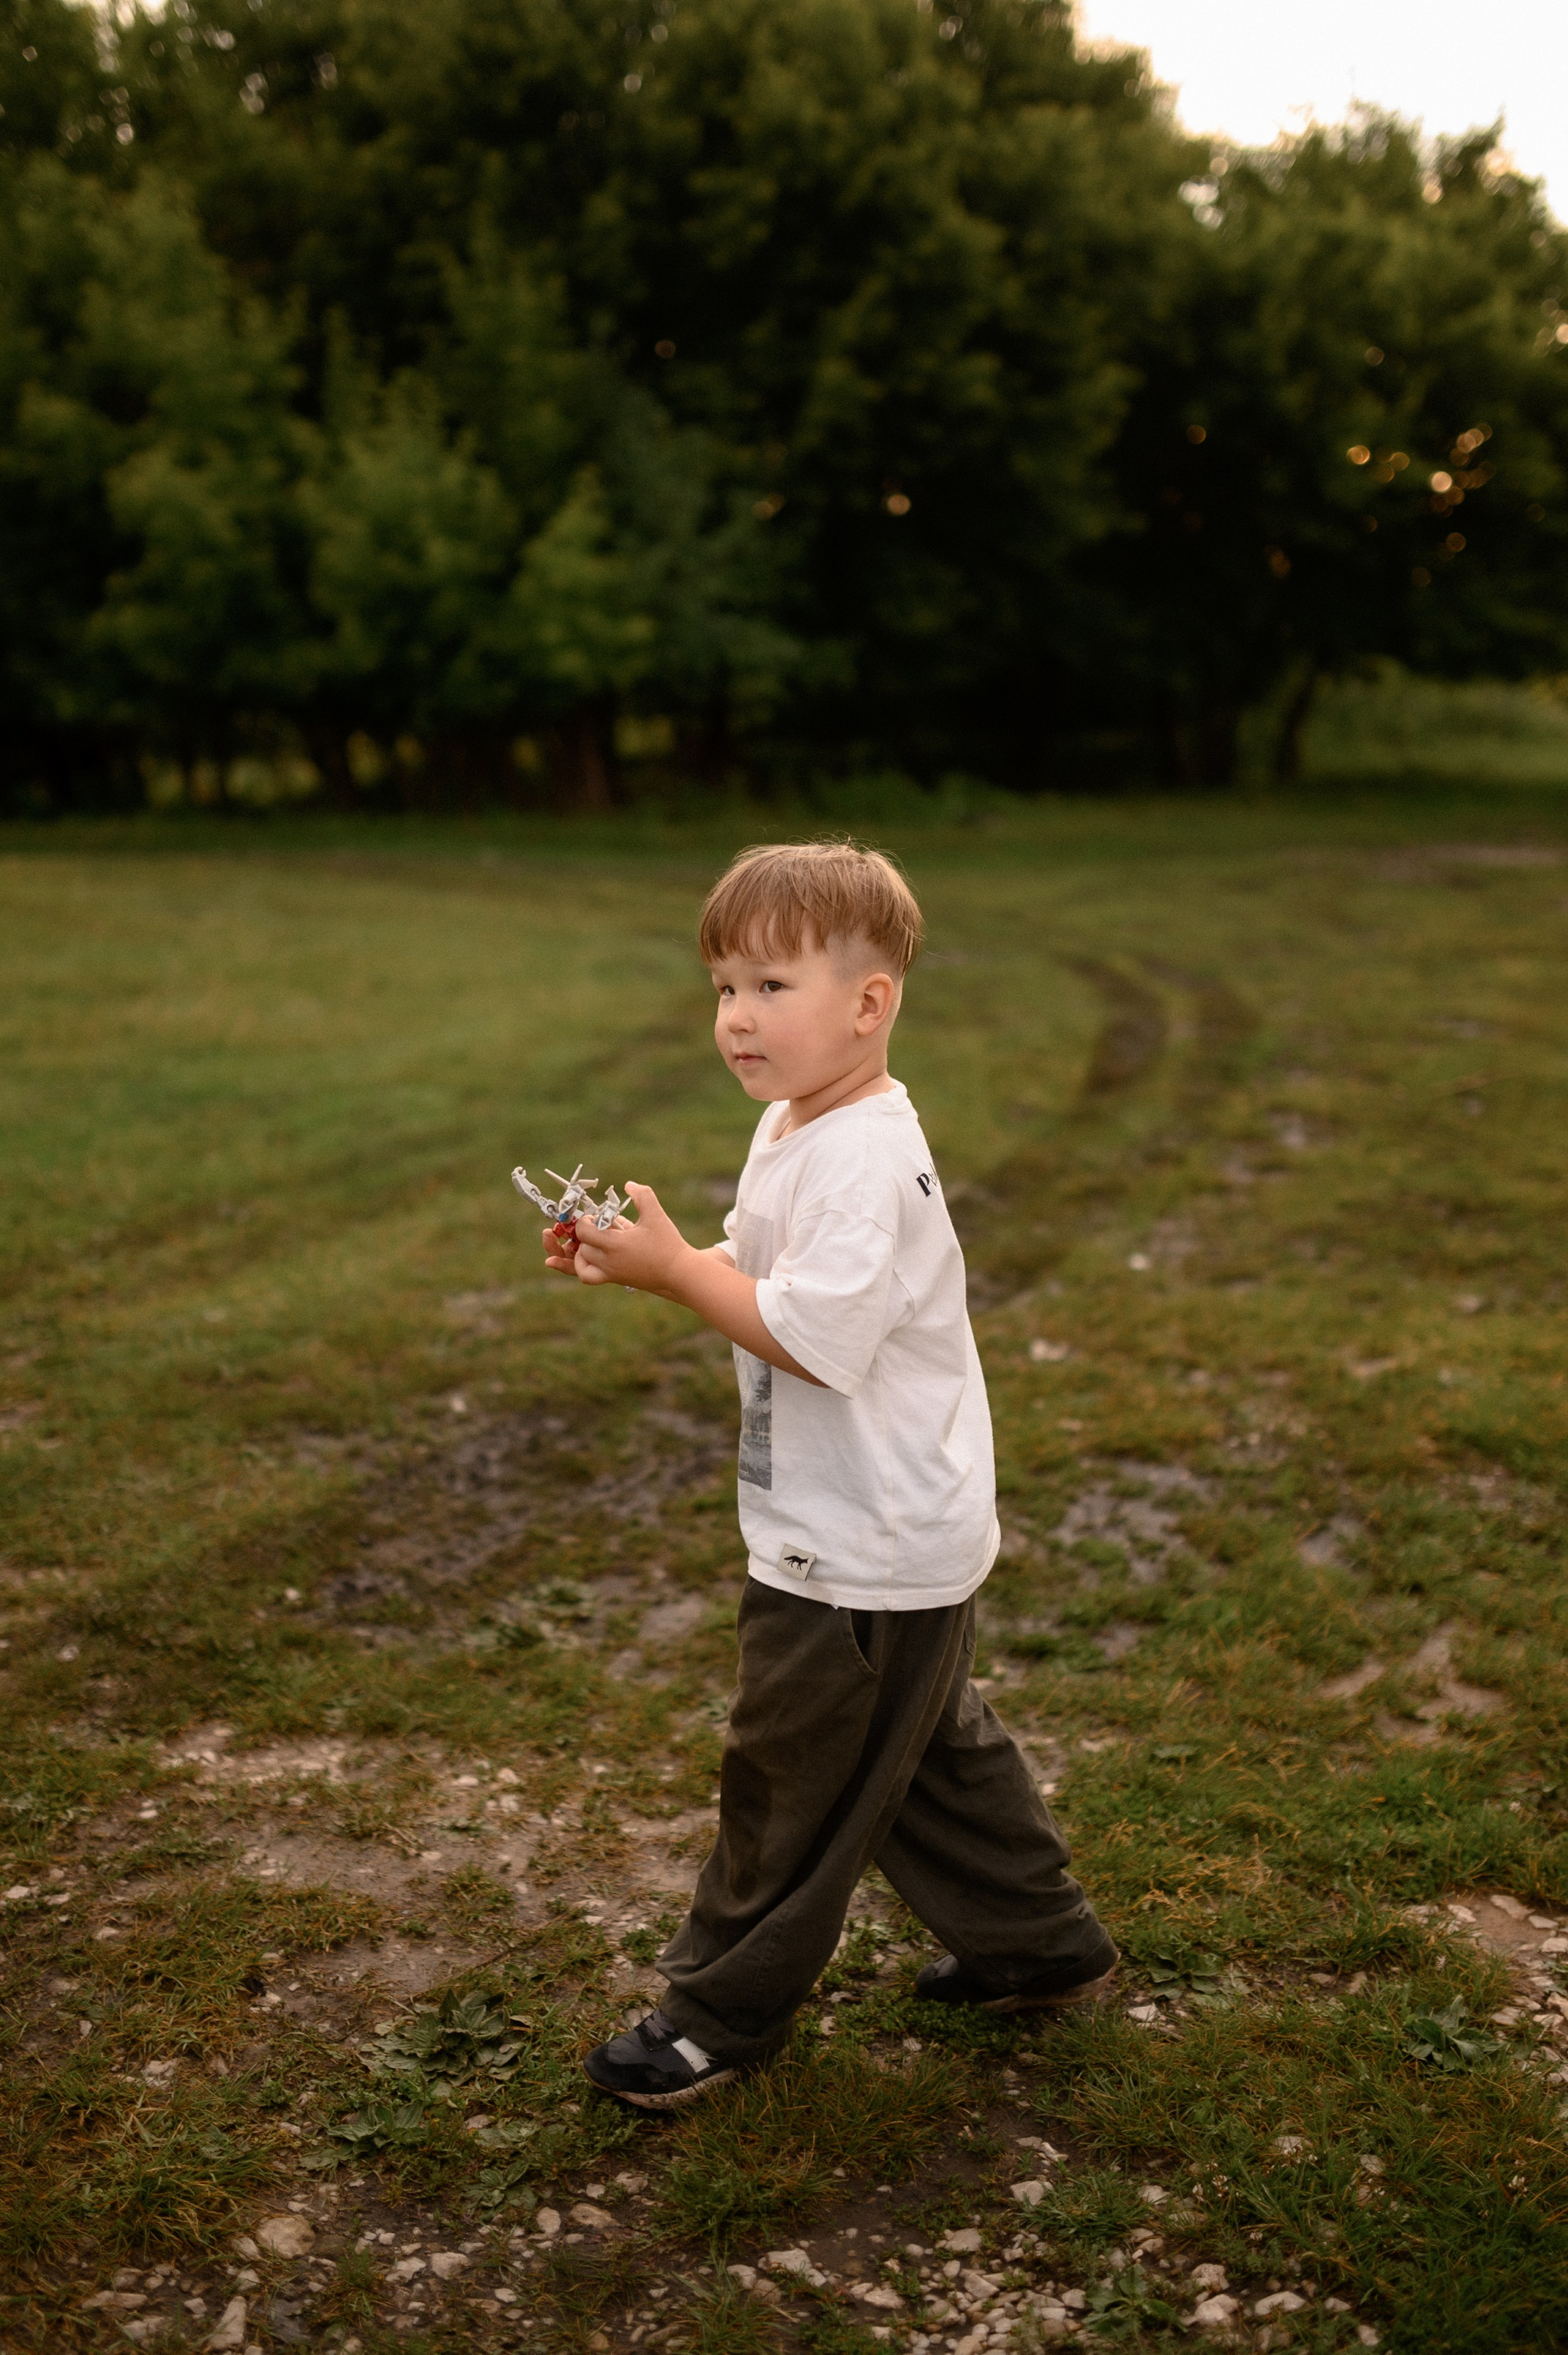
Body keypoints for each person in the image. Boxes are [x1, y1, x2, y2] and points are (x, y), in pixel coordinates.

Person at [541, 839, 1117, 2108]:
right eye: (722, 986)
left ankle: (715, 2012)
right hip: (878, 1523)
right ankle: (1037, 1944)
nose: (735, 1017)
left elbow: (810, 1333)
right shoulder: (797, 1121)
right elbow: (760, 1283)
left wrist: (680, 1275)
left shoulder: (863, 1159)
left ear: (869, 1002)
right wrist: (655, 1254)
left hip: (860, 1537)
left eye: (768, 986)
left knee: (791, 1775)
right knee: (921, 1753)